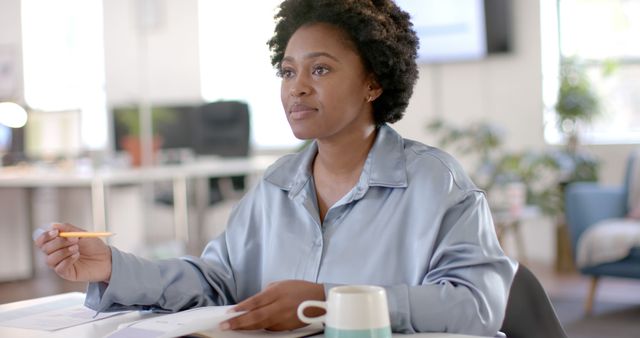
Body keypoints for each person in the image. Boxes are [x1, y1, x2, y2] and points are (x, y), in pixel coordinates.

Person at [34, 0, 517, 335]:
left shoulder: (437, 183)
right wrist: (115, 267)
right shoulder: (277, 185)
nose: (296, 88)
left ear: (373, 82)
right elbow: (218, 281)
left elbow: (476, 307)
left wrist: (327, 301)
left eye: (320, 69)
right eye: (288, 71)